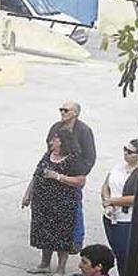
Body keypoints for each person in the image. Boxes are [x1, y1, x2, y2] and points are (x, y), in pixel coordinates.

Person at [22, 129, 86, 276]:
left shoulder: (73, 159)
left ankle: (61, 269)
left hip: (63, 204)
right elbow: (36, 174)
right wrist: (27, 194)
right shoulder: (48, 155)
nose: (51, 143)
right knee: (44, 233)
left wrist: (57, 177)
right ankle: (44, 264)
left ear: (64, 142)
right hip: (42, 202)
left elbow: (80, 181)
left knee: (61, 236)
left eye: (55, 140)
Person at [100, 139, 138, 275]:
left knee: (126, 257)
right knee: (117, 253)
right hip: (111, 216)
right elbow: (106, 185)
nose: (126, 153)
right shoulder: (118, 166)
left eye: (130, 152)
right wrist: (107, 201)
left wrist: (112, 201)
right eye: (125, 149)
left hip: (129, 222)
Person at [46, 101, 96, 252]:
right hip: (55, 169)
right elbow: (48, 145)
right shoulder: (56, 127)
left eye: (66, 110)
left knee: (75, 207)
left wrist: (81, 173)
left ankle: (76, 240)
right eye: (61, 110)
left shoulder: (84, 130)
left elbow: (90, 156)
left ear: (75, 113)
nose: (62, 113)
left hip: (73, 172)